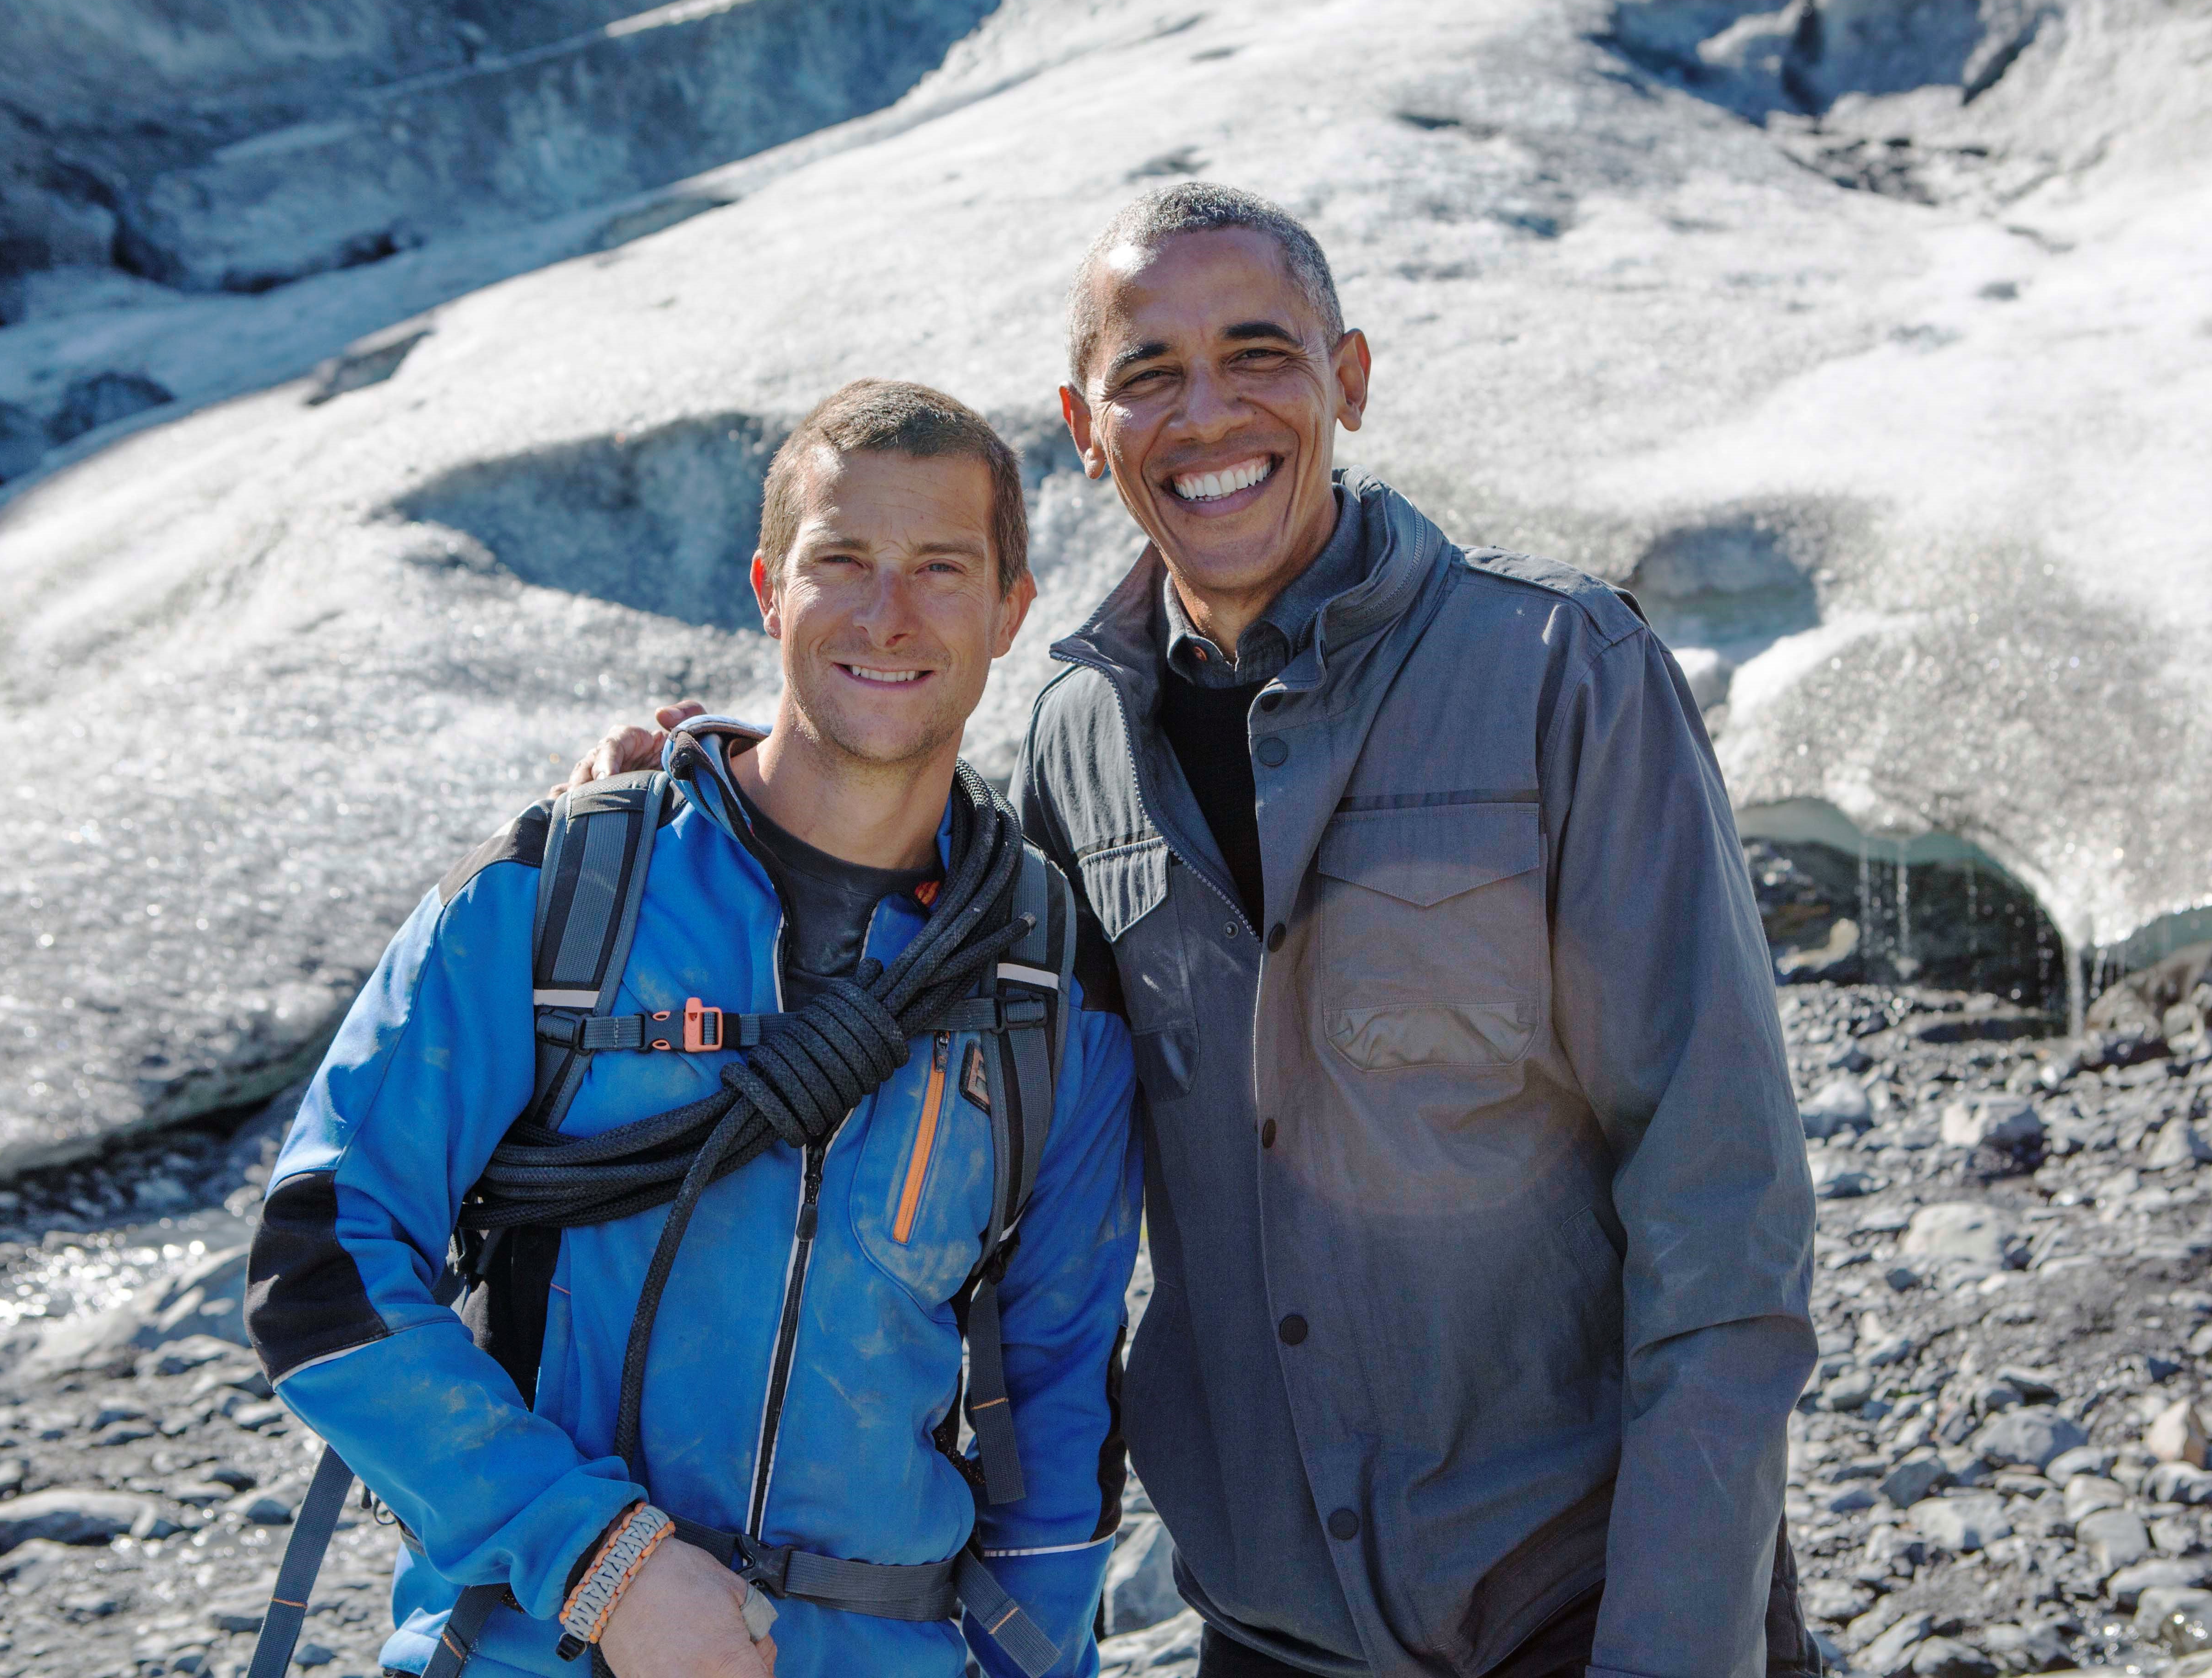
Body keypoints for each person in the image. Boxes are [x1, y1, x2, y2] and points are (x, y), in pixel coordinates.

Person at [585, 183, 1819, 1678]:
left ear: (1348, 381)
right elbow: (945, 989)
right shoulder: (1075, 738)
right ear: (1086, 424)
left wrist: (1677, 1645)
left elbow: (1723, 1200)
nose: (1209, 415)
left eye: (1260, 355)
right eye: (1150, 375)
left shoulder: (1565, 675)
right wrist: (722, 774)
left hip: (1570, 1601)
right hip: (1269, 1619)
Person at [245, 381, 1141, 1678]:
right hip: (533, 1645)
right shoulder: (556, 900)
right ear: (771, 590)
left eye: (942, 569)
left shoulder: (1045, 987)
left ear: (1011, 612)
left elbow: (1056, 1407)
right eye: (844, 562)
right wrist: (599, 1563)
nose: (889, 614)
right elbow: (320, 1257)